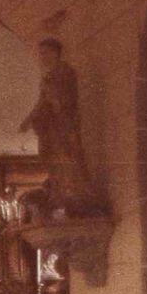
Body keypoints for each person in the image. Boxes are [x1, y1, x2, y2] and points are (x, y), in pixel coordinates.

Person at [19, 38, 103, 218]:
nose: (43, 57)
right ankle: (61, 195)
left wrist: (51, 94)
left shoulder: (65, 72)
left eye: (45, 53)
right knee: (56, 162)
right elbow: (42, 104)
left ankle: (75, 197)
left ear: (55, 52)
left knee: (69, 160)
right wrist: (28, 120)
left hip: (65, 126)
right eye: (41, 54)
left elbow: (62, 102)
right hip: (53, 129)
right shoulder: (48, 77)